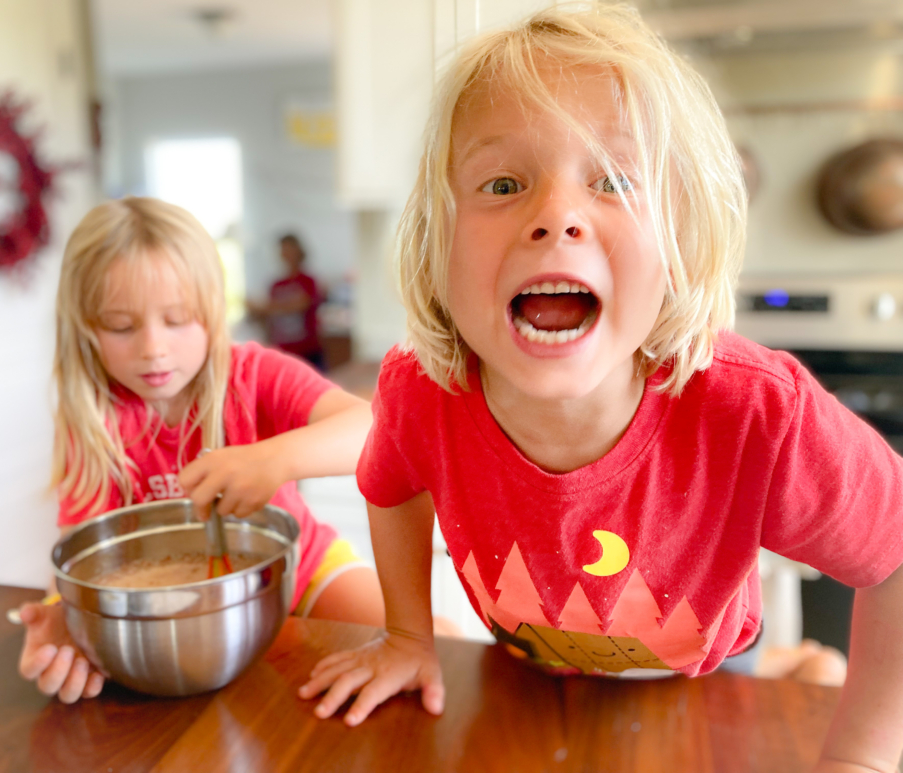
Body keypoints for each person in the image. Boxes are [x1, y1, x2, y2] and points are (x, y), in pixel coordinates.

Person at [298, 5, 903, 769]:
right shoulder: (420, 390)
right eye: (504, 181)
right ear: (438, 241)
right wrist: (409, 636)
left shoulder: (760, 412)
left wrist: (861, 758)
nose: (555, 216)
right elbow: (390, 489)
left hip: (711, 674)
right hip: (532, 674)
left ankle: (801, 661)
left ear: (680, 243)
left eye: (614, 180)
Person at [17, 197, 385, 703]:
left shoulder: (254, 376)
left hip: (302, 572)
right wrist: (63, 617)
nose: (153, 348)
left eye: (177, 319)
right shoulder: (93, 420)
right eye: (122, 327)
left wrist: (273, 459)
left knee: (433, 639)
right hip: (170, 614)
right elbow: (88, 555)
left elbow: (372, 428)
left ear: (213, 313)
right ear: (85, 328)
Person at [249, 234, 325, 370]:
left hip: (307, 350)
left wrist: (264, 307)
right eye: (283, 249)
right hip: (282, 351)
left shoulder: (308, 281)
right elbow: (268, 320)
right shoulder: (276, 285)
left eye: (289, 249)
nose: (286, 253)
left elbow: (301, 305)